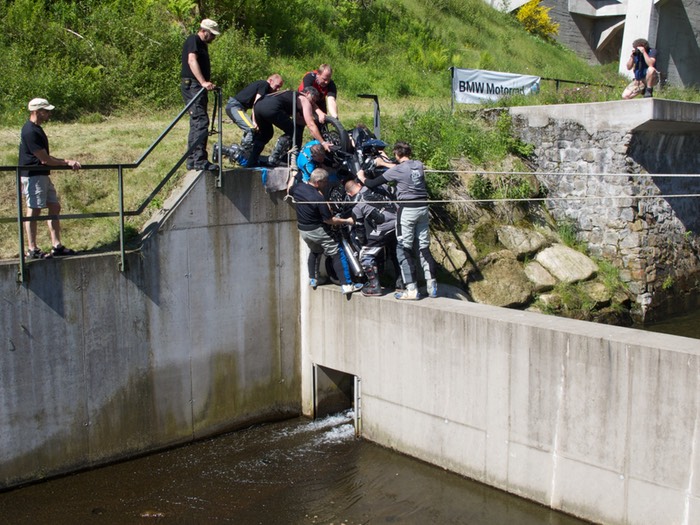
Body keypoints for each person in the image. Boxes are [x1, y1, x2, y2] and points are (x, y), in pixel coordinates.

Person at [358, 141, 437, 300]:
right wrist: (386, 162)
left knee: (403, 248)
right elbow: (400, 167)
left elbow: (374, 183)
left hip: (407, 210)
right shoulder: (419, 165)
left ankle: (412, 290)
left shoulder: (398, 170)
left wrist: (362, 177)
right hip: (423, 208)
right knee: (423, 247)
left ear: (397, 154)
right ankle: (432, 284)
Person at [19, 98, 81, 259]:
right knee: (34, 209)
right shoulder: (30, 131)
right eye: (46, 111)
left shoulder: (36, 129)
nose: (49, 113)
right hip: (33, 175)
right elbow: (44, 159)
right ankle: (32, 248)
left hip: (41, 175)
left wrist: (63, 162)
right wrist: (67, 162)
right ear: (36, 111)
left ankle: (56, 245)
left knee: (54, 206)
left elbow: (45, 157)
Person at [289, 168, 362, 295]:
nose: (327, 184)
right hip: (317, 230)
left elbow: (288, 188)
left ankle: (313, 279)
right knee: (337, 252)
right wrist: (347, 221)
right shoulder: (317, 197)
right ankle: (347, 285)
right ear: (318, 182)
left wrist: (293, 176)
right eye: (325, 182)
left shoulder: (299, 187)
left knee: (316, 251)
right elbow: (329, 220)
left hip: (303, 230)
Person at [245, 86, 334, 168]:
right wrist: (323, 142)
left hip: (258, 106)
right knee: (294, 132)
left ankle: (251, 161)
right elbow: (310, 125)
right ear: (307, 94)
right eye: (313, 100)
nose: (312, 103)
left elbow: (298, 121)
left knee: (266, 134)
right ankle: (275, 159)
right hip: (271, 108)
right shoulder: (304, 99)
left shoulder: (290, 96)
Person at [345, 178, 401, 296]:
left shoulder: (357, 207)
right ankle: (401, 284)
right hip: (399, 223)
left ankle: (374, 286)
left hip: (384, 228)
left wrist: (363, 242)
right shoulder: (376, 187)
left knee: (365, 255)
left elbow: (360, 229)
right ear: (359, 184)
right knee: (397, 253)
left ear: (349, 194)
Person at [181, 18, 221, 171]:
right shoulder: (194, 40)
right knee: (201, 121)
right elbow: (192, 61)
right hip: (192, 85)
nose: (213, 38)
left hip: (197, 86)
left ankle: (191, 159)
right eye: (212, 35)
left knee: (196, 121)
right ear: (204, 31)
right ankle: (199, 159)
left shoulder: (202, 44)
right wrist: (203, 81)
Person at [225, 74, 283, 156]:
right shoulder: (264, 84)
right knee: (250, 128)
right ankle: (241, 154)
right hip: (235, 106)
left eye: (280, 87)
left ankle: (241, 152)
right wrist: (255, 121)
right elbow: (256, 103)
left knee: (251, 130)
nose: (278, 89)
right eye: (277, 86)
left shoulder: (265, 88)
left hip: (238, 108)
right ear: (270, 81)